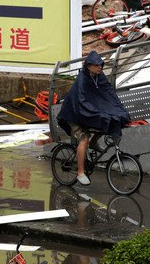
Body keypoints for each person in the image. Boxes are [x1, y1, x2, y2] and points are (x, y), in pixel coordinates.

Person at [56, 50, 130, 186]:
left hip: (86, 113)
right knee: (84, 139)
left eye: (101, 65)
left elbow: (109, 93)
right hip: (73, 114)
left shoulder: (99, 76)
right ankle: (80, 173)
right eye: (97, 65)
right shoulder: (82, 79)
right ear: (89, 66)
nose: (100, 67)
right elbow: (82, 101)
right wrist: (96, 113)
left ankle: (94, 142)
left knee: (108, 120)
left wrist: (119, 109)